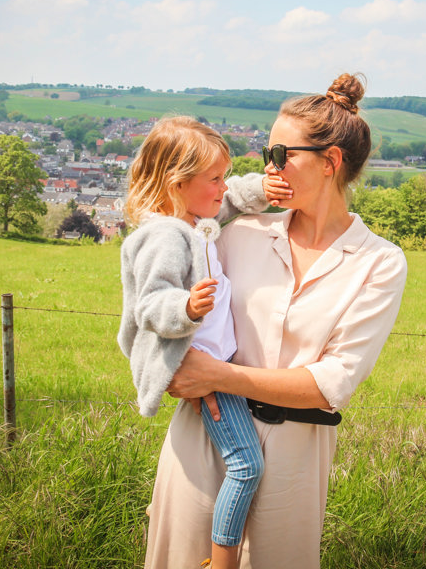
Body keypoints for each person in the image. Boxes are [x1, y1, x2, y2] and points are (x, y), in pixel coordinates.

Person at [142, 74, 408, 569]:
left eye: (282, 155)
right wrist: (170, 364)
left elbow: (333, 384)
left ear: (330, 162)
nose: (269, 167)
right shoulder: (238, 233)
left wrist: (218, 375)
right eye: (267, 154)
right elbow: (159, 287)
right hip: (204, 436)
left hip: (294, 460)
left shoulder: (380, 262)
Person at [118, 116, 291, 569]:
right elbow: (150, 305)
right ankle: (221, 560)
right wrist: (187, 308)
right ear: (178, 183)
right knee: (245, 465)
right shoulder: (166, 236)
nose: (222, 187)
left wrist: (266, 189)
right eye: (213, 179)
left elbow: (232, 198)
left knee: (241, 462)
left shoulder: (195, 219)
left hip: (213, 361)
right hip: (206, 369)